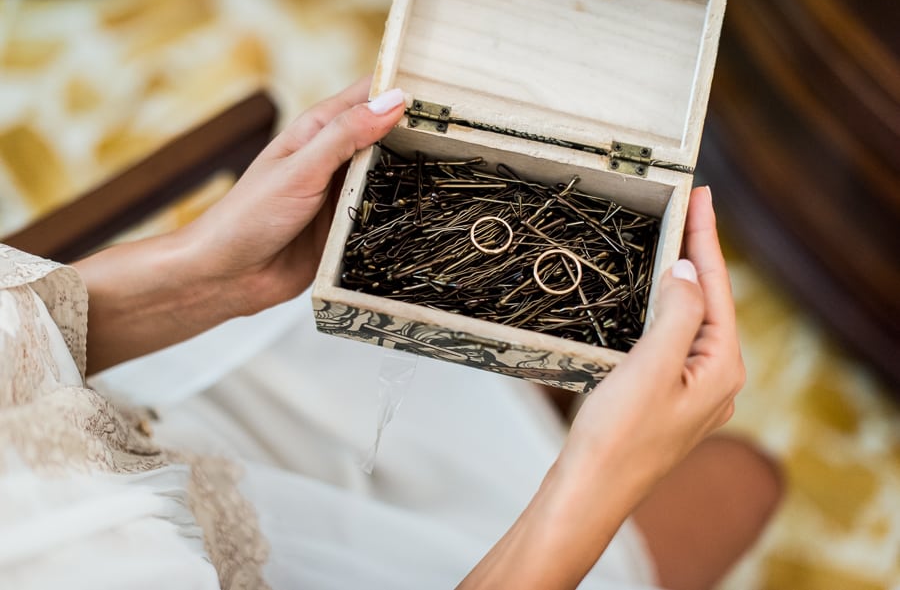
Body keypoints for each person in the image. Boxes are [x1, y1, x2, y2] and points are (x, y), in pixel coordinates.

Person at [0, 78, 782, 590]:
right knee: (750, 478)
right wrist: (597, 483)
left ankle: (546, 401)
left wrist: (207, 274)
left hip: (159, 409)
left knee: (480, 365)